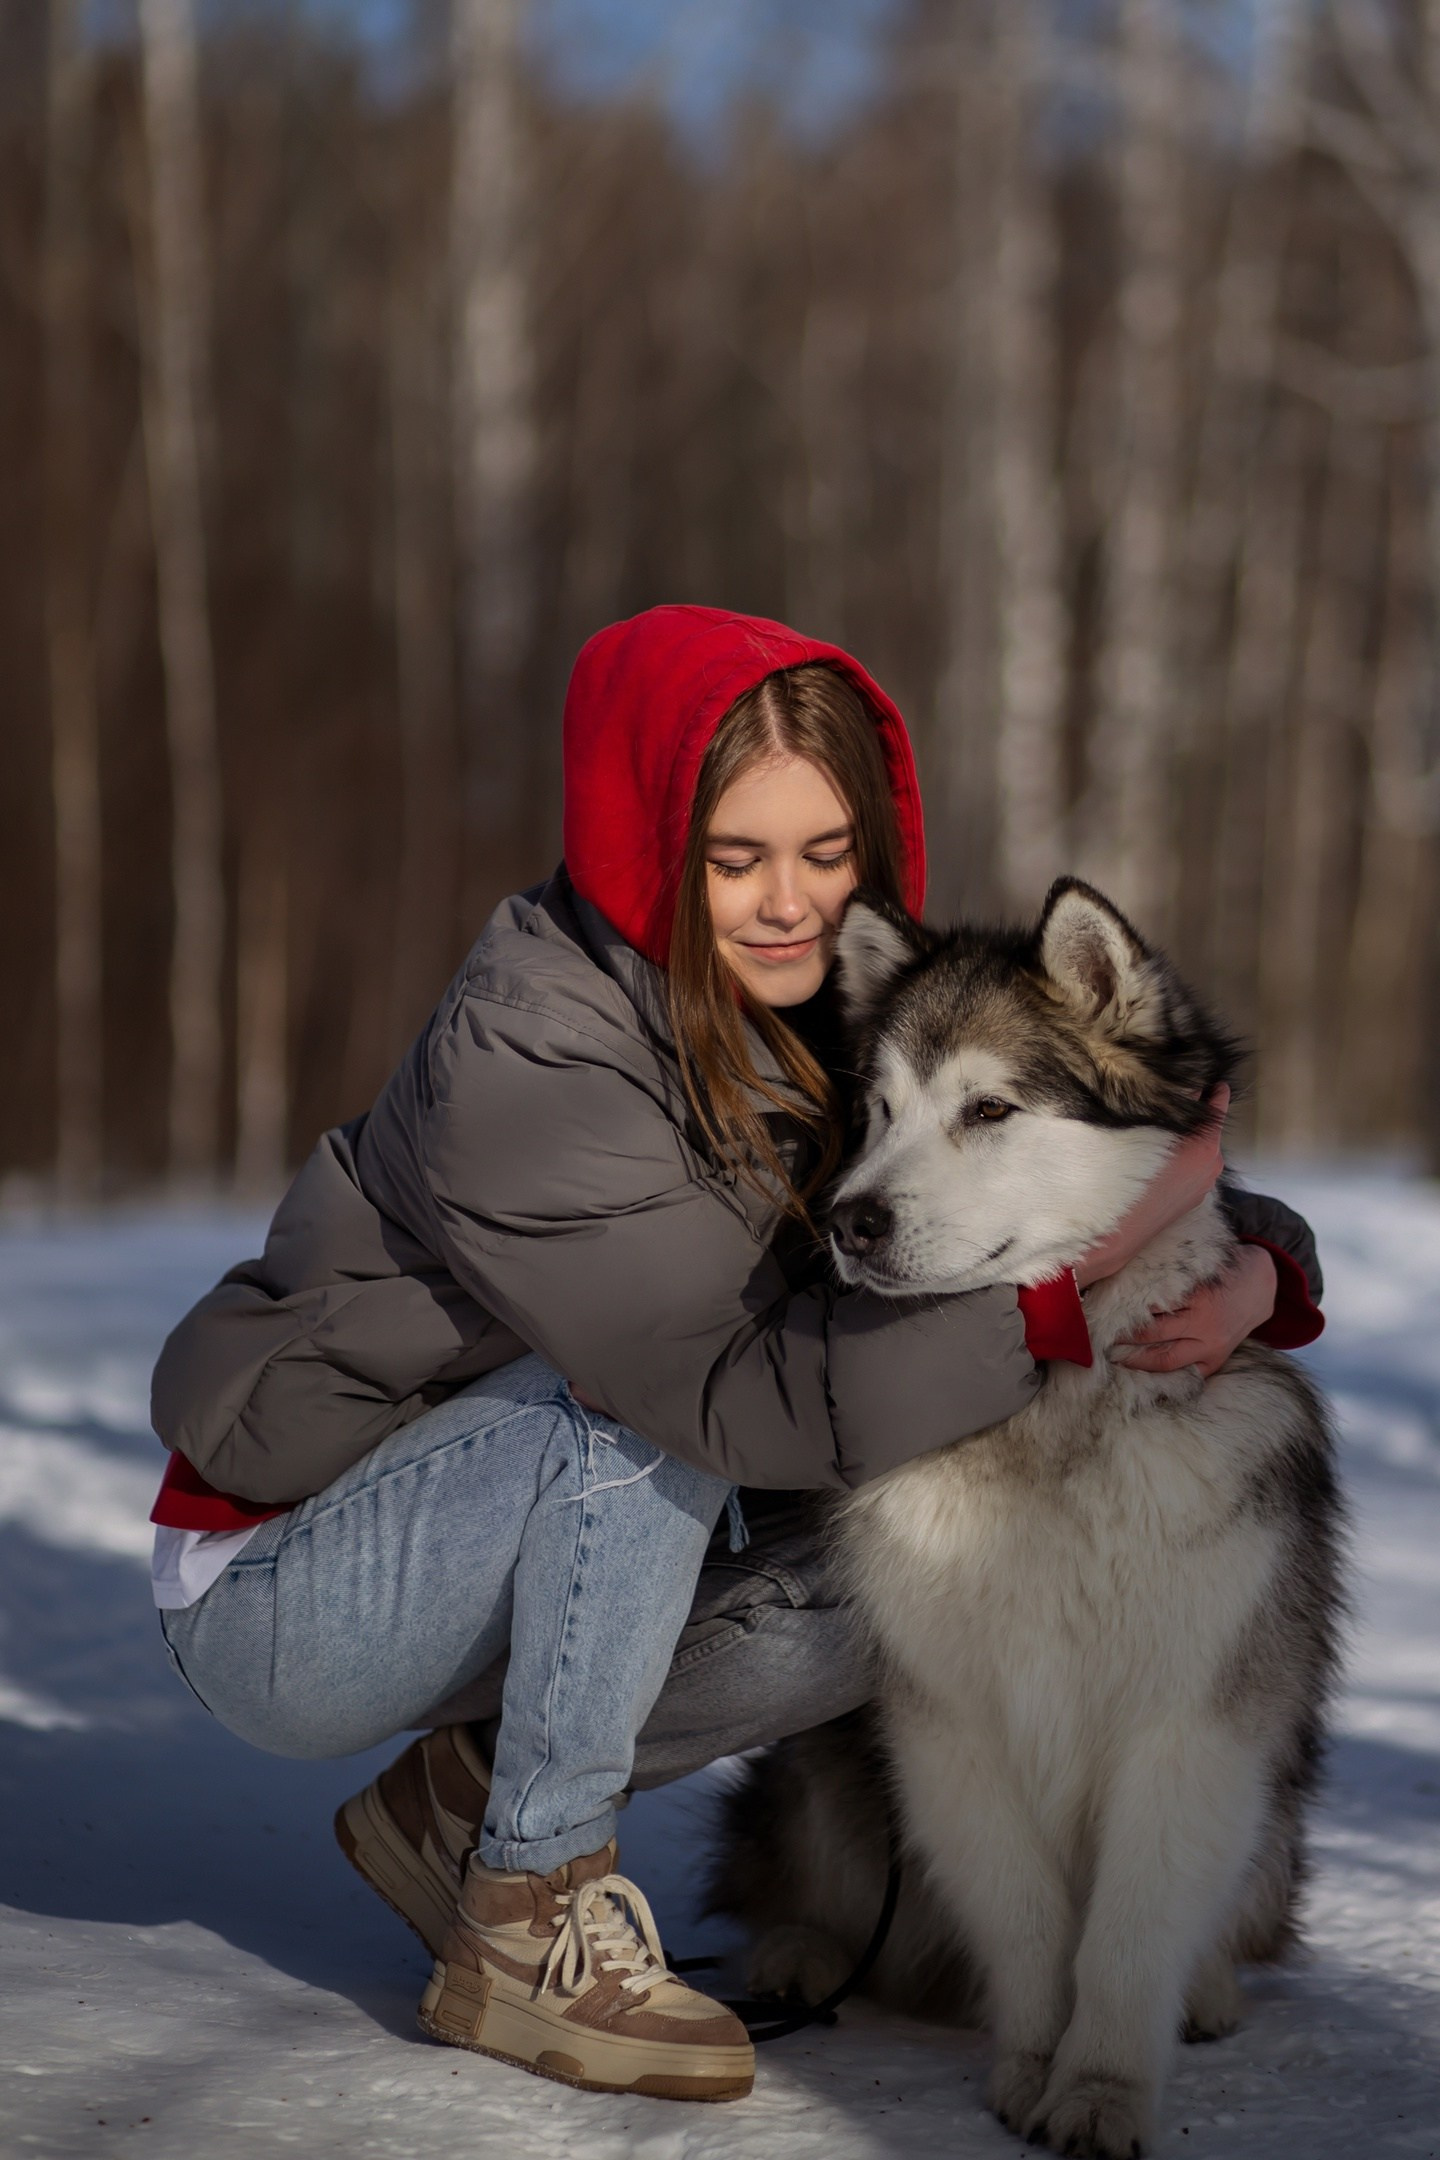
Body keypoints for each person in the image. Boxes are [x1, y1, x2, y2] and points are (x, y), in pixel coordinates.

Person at [148, 605, 1324, 2103]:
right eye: (735, 856)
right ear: (644, 839)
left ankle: (457, 1796)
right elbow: (720, 1391)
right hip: (294, 1575)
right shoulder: (533, 1056)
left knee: (900, 1584)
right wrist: (1064, 1305)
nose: (790, 904)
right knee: (651, 1430)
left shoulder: (826, 1001)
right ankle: (528, 1906)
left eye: (827, 854)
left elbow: (1086, 1155)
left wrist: (1250, 1266)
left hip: (531, 1513)